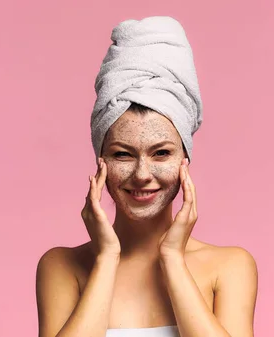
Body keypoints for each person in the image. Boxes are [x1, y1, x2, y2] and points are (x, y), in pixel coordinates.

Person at [36, 16, 258, 337]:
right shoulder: (62, 268)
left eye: (161, 153)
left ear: (185, 159)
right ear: (102, 161)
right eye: (123, 154)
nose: (142, 175)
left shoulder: (229, 268)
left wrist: (172, 260)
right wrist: (107, 258)